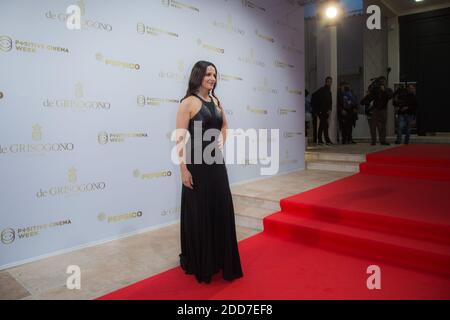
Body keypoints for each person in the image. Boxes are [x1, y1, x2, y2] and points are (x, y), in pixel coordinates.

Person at [175, 61, 243, 283]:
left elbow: (225, 124)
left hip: (215, 164)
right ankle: (202, 260)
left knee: (220, 207)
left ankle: (219, 258)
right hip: (196, 165)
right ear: (198, 76)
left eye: (214, 74)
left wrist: (219, 143)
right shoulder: (188, 103)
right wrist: (183, 169)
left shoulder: (216, 100)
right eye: (208, 74)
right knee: (201, 211)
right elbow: (179, 138)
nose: (212, 78)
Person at [361, 76, 393, 145]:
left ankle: (383, 140)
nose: (382, 82)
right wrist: (364, 101)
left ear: (385, 82)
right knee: (373, 126)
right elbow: (370, 97)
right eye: (380, 81)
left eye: (383, 81)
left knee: (383, 126)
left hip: (383, 110)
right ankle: (373, 141)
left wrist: (384, 90)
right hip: (376, 109)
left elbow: (390, 96)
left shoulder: (388, 90)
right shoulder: (375, 89)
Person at [312, 76, 333, 145]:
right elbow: (314, 97)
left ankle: (320, 140)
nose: (330, 83)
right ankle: (326, 140)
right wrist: (317, 110)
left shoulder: (329, 91)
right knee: (325, 125)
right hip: (321, 111)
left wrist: (330, 109)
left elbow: (330, 101)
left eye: (330, 82)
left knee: (322, 125)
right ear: (326, 82)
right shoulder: (322, 90)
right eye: (328, 81)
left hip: (326, 111)